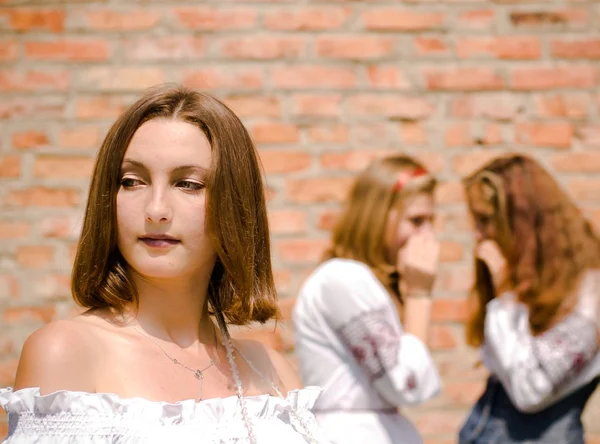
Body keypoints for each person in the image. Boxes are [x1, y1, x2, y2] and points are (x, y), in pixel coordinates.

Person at [0, 84, 328, 443]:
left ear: (234, 204)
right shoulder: (66, 352)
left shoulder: (270, 369)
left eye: (187, 184)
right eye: (132, 181)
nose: (155, 210)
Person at [293, 155, 442, 444]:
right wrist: (420, 294)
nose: (428, 235)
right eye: (416, 221)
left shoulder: (364, 282)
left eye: (431, 222)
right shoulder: (344, 279)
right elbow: (407, 383)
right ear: (377, 216)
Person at [458, 154, 600, 444]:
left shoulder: (590, 298)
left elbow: (529, 391)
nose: (479, 234)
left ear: (522, 220)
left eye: (486, 220)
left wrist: (503, 293)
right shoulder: (530, 284)